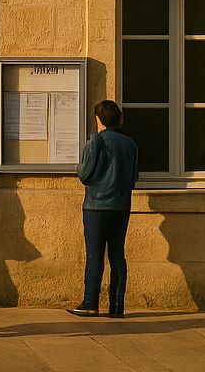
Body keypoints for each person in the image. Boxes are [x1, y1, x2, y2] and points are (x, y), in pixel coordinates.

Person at [69, 99, 139, 319]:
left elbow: (84, 174)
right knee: (118, 254)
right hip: (121, 205)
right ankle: (117, 305)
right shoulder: (130, 144)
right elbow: (134, 176)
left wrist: (79, 165)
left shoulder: (96, 141)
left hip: (96, 206)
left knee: (95, 256)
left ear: (98, 119)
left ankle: (90, 302)